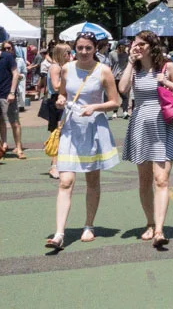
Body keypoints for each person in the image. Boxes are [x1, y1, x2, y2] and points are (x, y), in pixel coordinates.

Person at [46, 32, 121, 249]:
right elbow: (62, 94)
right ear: (74, 49)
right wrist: (61, 100)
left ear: (95, 48)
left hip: (93, 129)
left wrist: (95, 107)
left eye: (88, 48)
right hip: (71, 127)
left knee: (92, 181)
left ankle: (89, 225)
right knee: (65, 181)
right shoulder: (67, 68)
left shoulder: (103, 71)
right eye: (80, 48)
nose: (84, 52)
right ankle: (59, 233)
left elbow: (115, 101)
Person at [120, 30, 173, 249]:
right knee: (144, 179)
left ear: (152, 46)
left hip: (162, 125)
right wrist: (130, 62)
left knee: (161, 179)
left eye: (141, 44)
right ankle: (149, 223)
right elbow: (122, 89)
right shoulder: (136, 68)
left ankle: (159, 230)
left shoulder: (167, 67)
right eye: (135, 44)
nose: (137, 47)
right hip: (140, 124)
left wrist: (166, 82)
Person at [37, 42, 69, 179]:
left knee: (63, 135)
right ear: (62, 54)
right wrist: (70, 82)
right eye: (68, 53)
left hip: (61, 101)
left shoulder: (62, 67)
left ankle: (60, 164)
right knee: (58, 135)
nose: (70, 55)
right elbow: (56, 86)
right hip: (56, 102)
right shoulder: (55, 67)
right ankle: (54, 166)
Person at [0, 41, 25, 159]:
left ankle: (19, 148)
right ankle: (0, 146)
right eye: (5, 48)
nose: (7, 50)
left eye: (9, 48)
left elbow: (16, 74)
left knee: (14, 122)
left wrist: (11, 92)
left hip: (8, 93)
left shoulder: (11, 58)